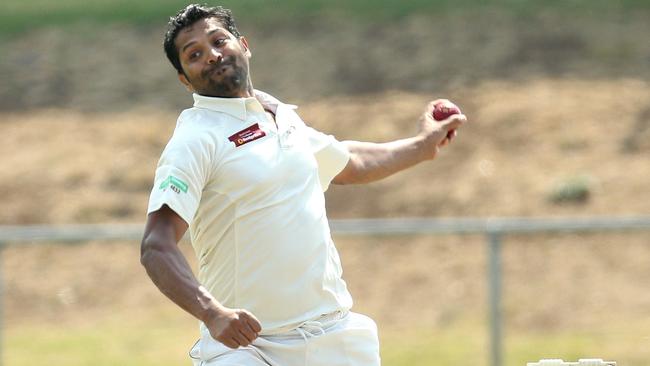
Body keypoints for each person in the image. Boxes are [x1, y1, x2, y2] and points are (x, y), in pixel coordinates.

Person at [140, 4, 467, 366]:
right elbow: (157, 246)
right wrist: (212, 313)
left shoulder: (279, 115)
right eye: (195, 54)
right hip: (248, 350)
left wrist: (420, 146)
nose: (213, 55)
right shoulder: (194, 139)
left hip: (333, 335)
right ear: (185, 80)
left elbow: (348, 161)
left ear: (244, 45)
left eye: (219, 41)